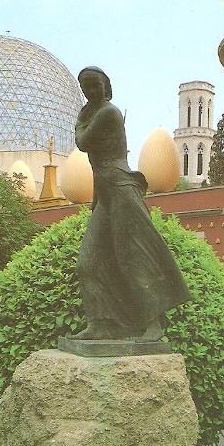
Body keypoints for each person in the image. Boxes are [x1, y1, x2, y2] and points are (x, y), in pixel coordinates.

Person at [71, 66, 190, 340]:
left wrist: (79, 119)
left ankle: (154, 322)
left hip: (122, 190)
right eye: (85, 87)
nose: (90, 91)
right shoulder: (92, 113)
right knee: (87, 263)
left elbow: (83, 142)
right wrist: (97, 201)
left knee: (132, 257)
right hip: (106, 194)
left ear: (105, 86)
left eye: (95, 85)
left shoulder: (107, 113)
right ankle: (101, 322)